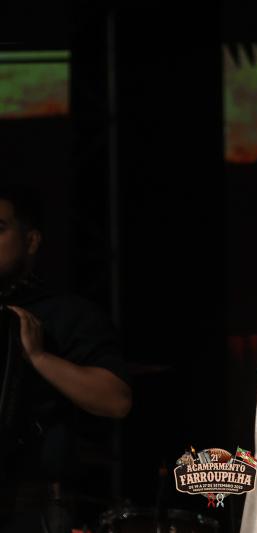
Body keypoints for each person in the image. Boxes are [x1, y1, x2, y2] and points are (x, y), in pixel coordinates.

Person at [0, 185, 132, 533]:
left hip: (33, 509)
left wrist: (39, 357)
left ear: (31, 241)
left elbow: (116, 400)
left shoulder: (66, 314)